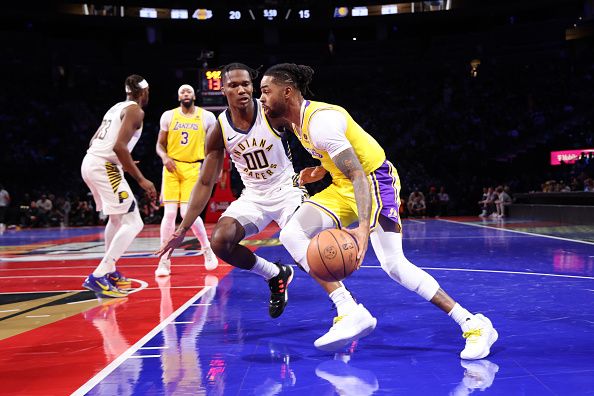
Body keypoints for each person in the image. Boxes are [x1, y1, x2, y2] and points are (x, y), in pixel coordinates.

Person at [260, 63, 498, 359]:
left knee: (394, 265)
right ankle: (348, 310)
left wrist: (361, 231)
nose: (262, 99)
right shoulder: (297, 124)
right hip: (342, 185)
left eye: (266, 92)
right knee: (292, 233)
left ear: (288, 92)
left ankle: (473, 324)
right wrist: (317, 171)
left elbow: (359, 174)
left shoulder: (321, 121)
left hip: (374, 182)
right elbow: (340, 164)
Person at [157, 63, 352, 320]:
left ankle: (346, 305)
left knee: (303, 248)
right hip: (253, 197)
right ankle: (275, 274)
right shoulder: (220, 129)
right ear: (223, 90)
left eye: (246, 84)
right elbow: (205, 183)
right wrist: (183, 229)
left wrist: (323, 167)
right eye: (234, 85)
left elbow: (310, 131)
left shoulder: (272, 113)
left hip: (287, 191)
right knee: (221, 242)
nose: (242, 90)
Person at [81, 74, 156, 298]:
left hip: (91, 162)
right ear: (144, 92)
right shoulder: (136, 111)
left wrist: (125, 162)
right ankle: (99, 274)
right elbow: (119, 147)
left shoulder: (116, 107)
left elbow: (94, 142)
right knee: (134, 222)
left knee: (116, 218)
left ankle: (110, 271)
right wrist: (141, 179)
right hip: (105, 166)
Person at [155, 84, 218, 276]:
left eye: (188, 91)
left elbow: (213, 145)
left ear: (194, 96)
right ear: (178, 96)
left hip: (193, 167)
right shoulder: (168, 116)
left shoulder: (206, 116)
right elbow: (159, 145)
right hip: (172, 167)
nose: (185, 93)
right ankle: (164, 261)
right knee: (170, 214)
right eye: (182, 91)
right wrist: (164, 158)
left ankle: (206, 248)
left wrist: (213, 169)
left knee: (186, 212)